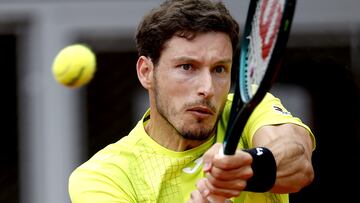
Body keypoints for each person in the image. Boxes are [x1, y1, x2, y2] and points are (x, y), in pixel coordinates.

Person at [68, 0, 316, 202]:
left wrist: (248, 167)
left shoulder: (249, 107)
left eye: (219, 69)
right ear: (146, 72)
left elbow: (298, 161)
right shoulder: (104, 176)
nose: (207, 89)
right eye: (187, 67)